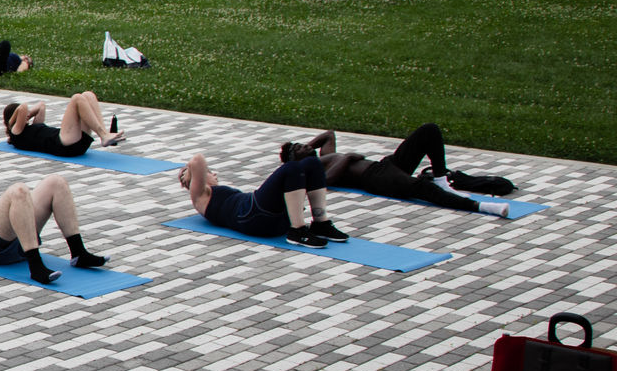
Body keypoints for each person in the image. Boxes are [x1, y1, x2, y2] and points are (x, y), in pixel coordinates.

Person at [280, 126, 511, 217]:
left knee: (429, 131)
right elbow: (327, 181)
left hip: (386, 165)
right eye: (300, 149)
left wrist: (307, 146)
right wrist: (347, 157)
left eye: (304, 144)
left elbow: (329, 134)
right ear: (296, 161)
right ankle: (482, 207)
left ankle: (441, 179)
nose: (307, 146)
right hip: (377, 179)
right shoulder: (314, 169)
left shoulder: (324, 155)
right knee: (422, 188)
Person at [179, 153, 348, 246]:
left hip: (265, 217)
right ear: (195, 178)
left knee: (312, 163)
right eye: (209, 171)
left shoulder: (212, 195)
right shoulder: (200, 197)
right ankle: (297, 230)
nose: (214, 174)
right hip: (252, 216)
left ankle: (321, 224)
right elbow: (197, 159)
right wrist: (188, 172)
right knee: (291, 168)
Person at [4, 93, 125, 157]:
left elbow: (41, 105)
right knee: (77, 98)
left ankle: (104, 134)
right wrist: (12, 122)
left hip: (75, 141)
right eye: (21, 115)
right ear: (14, 119)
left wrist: (27, 116)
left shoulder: (31, 129)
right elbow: (23, 107)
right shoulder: (17, 134)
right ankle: (103, 135)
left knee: (88, 95)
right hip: (63, 145)